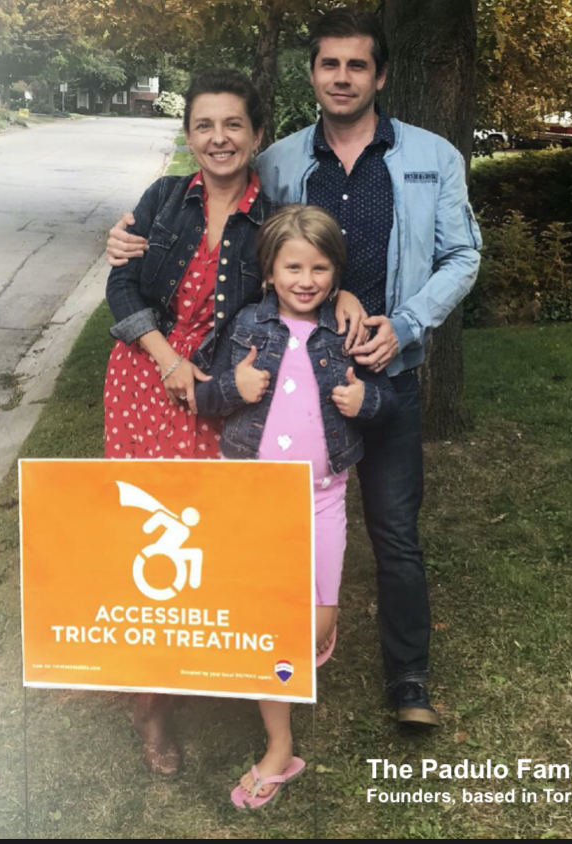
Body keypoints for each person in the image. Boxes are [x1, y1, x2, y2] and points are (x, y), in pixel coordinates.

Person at [108, 8, 482, 729]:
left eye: (357, 65)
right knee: (255, 529)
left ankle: (409, 682)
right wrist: (124, 237)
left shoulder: (432, 157)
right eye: (329, 64)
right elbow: (261, 253)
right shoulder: (278, 162)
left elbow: (463, 255)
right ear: (312, 73)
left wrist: (402, 324)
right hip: (286, 391)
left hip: (386, 373)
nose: (342, 78)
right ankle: (244, 654)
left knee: (395, 531)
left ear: (380, 75)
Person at [104, 68, 368, 775]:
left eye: (232, 126)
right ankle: (151, 706)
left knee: (208, 539)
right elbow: (121, 283)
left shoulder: (271, 213)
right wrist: (164, 358)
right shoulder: (163, 197)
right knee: (145, 537)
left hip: (221, 392)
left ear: (255, 136)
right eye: (203, 126)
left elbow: (300, 281)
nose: (217, 139)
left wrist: (340, 299)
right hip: (147, 381)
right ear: (188, 135)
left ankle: (213, 665)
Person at [193, 204, 399, 808]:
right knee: (268, 630)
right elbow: (205, 396)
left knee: (316, 627)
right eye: (292, 266)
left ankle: (299, 650)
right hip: (253, 499)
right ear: (269, 270)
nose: (305, 280)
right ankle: (279, 747)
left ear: (335, 273)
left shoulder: (345, 330)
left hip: (322, 500)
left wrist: (368, 400)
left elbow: (384, 399)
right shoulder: (246, 327)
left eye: (318, 267)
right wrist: (236, 388)